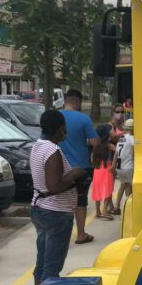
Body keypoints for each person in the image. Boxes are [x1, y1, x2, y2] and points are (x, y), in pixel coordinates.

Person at [29, 109, 87, 285]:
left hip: (40, 209)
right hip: (56, 213)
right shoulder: (52, 150)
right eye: (65, 128)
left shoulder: (37, 146)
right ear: (62, 128)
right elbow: (53, 185)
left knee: (42, 264)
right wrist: (76, 173)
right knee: (51, 269)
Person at [58, 88, 100, 244]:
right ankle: (81, 234)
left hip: (59, 168)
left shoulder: (56, 117)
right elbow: (95, 142)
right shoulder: (83, 119)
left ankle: (61, 236)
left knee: (62, 201)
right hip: (81, 167)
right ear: (78, 102)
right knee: (80, 201)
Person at [90, 127, 115, 219]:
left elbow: (92, 159)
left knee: (97, 190)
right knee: (107, 190)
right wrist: (114, 162)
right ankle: (104, 210)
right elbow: (117, 151)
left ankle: (98, 212)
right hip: (106, 168)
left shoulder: (96, 146)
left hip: (97, 171)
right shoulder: (108, 145)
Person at [112, 117, 136, 214]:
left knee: (123, 185)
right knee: (130, 186)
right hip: (129, 166)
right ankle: (130, 206)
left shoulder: (121, 139)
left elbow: (116, 153)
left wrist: (113, 165)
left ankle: (117, 206)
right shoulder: (132, 139)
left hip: (120, 167)